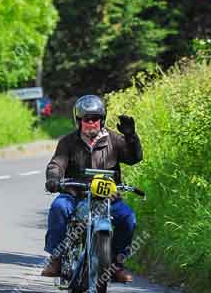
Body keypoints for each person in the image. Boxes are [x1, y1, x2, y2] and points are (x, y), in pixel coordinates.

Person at [42, 94, 143, 283]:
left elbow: (134, 157)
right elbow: (56, 163)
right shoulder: (68, 142)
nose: (91, 123)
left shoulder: (114, 139)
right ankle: (55, 259)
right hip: (75, 195)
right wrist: (54, 178)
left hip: (107, 198)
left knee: (128, 218)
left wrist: (131, 137)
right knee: (58, 208)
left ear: (101, 120)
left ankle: (116, 265)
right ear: (79, 121)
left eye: (95, 119)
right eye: (86, 119)